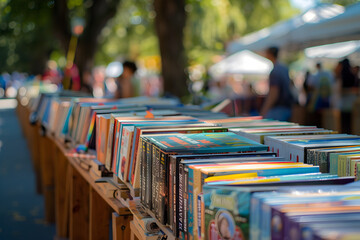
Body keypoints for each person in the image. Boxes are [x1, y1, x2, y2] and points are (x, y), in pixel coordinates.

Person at [260, 46, 293, 121]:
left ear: (269, 54)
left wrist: (264, 110)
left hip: (277, 109)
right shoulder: (284, 68)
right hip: (286, 107)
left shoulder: (275, 71)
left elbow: (274, 93)